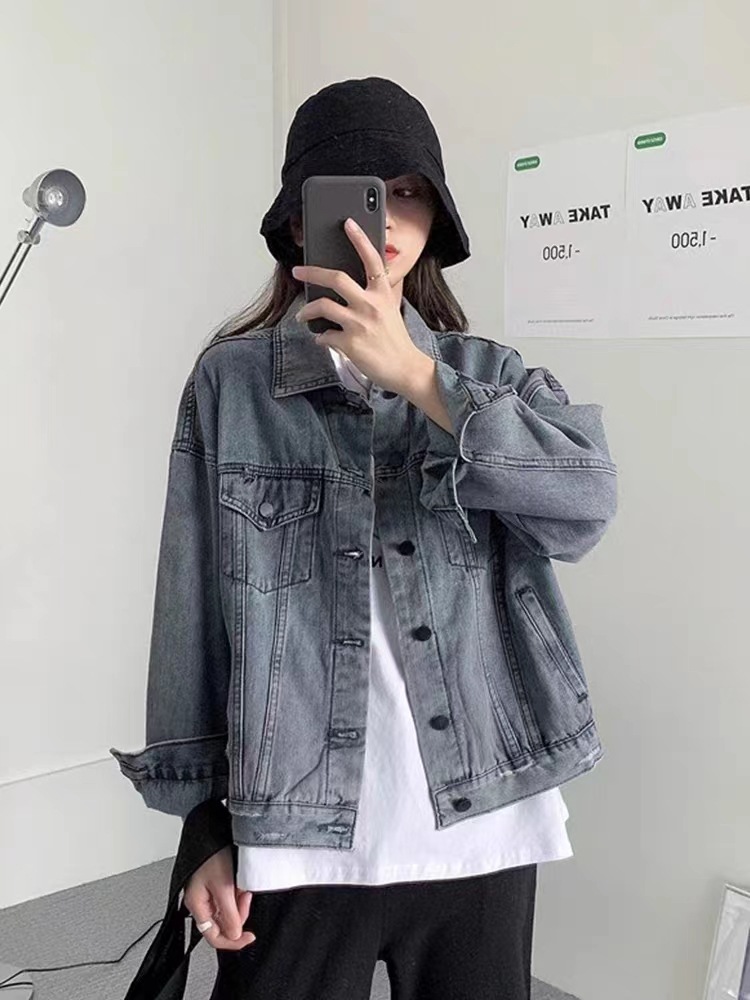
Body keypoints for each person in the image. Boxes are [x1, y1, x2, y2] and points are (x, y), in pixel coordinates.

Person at [111, 76, 618, 1000]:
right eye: (351, 189)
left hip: (482, 819)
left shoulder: (487, 375)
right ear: (297, 221)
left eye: (407, 190)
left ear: (434, 218)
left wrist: (423, 380)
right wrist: (202, 828)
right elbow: (190, 614)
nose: (382, 215)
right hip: (293, 827)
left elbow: (586, 503)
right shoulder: (231, 385)